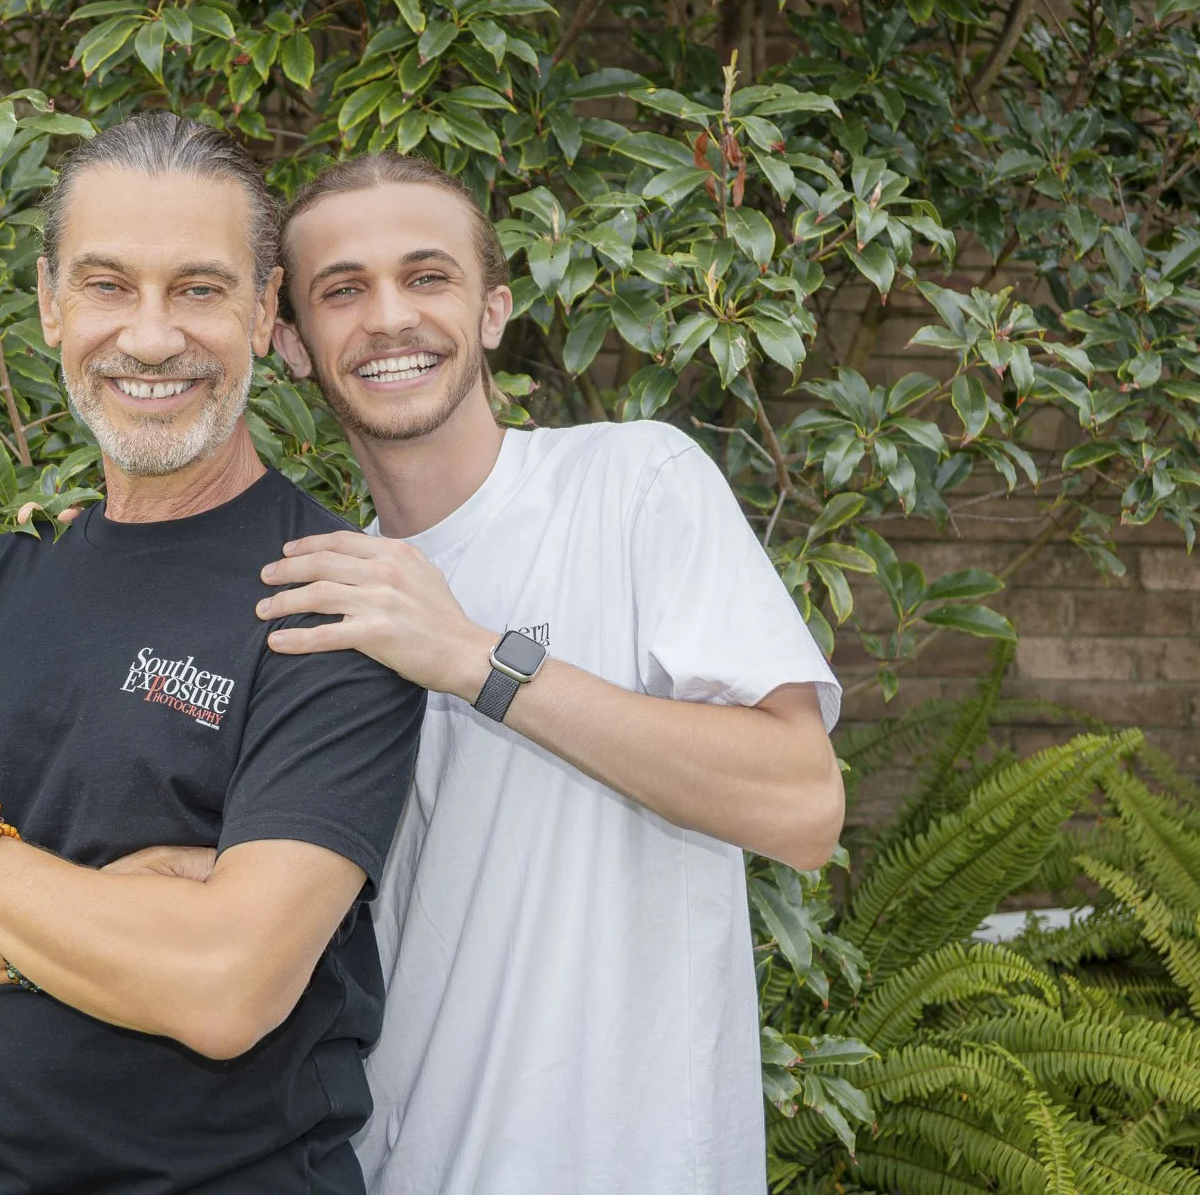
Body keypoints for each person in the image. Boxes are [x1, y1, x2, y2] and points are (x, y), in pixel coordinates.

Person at [0, 114, 425, 1194]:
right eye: (108, 285)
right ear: (50, 302)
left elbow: (223, 987)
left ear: (262, 310)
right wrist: (129, 904)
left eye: (198, 289)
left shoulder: (329, 598)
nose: (149, 338)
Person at [258, 153, 846, 1193]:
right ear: (294, 343)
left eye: (427, 276)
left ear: (492, 310)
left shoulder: (633, 483)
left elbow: (801, 803)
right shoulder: (323, 596)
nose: (389, 317)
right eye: (342, 289)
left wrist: (472, 658)